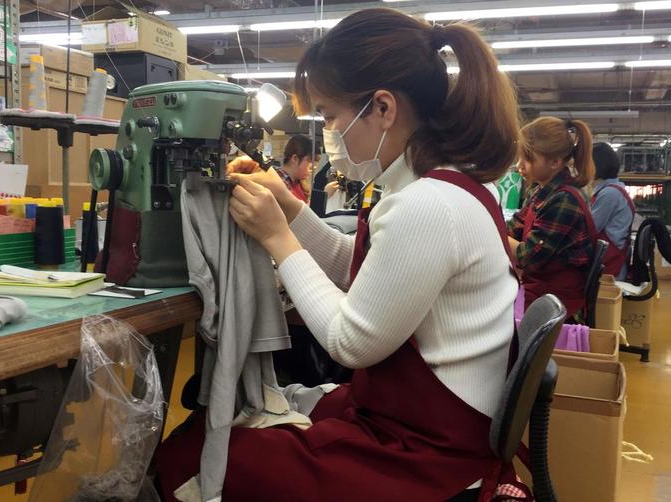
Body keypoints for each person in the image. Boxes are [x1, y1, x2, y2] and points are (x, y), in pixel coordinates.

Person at [161, 8, 524, 501]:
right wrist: (290, 211)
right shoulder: (439, 189)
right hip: (415, 425)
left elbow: (350, 342)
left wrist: (277, 239)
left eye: (330, 116)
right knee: (236, 424)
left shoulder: (428, 206)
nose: (329, 132)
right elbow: (358, 269)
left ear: (382, 108)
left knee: (203, 455)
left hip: (431, 457)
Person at [508, 117, 597, 320]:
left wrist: (491, 230)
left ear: (555, 162)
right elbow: (514, 227)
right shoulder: (540, 193)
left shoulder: (564, 200)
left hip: (557, 306)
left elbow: (526, 257)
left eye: (528, 158)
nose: (519, 165)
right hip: (541, 292)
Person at [590, 142, 635, 280]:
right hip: (609, 261)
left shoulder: (609, 194)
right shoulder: (612, 189)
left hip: (609, 266)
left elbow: (589, 228)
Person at [276, 134, 314, 202]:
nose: (312, 167)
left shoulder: (298, 183)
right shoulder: (279, 183)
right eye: (309, 161)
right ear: (295, 158)